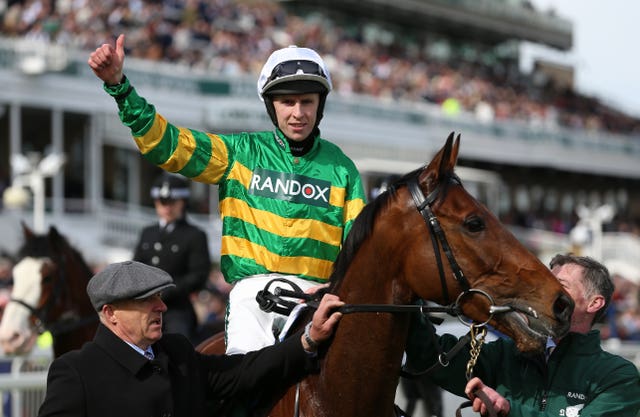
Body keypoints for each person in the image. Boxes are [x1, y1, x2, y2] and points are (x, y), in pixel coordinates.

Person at [88, 34, 366, 354]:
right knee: (247, 382)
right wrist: (120, 87)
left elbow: (358, 244)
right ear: (271, 106)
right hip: (255, 297)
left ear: (320, 105)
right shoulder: (238, 154)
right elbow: (168, 144)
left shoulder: (342, 169)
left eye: (307, 102)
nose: (298, 113)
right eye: (287, 102)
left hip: (320, 297)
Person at [37, 260, 344, 417]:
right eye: (146, 301)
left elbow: (241, 372)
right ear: (111, 313)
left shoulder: (177, 351)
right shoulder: (76, 372)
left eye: (158, 296)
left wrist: (308, 338)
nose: (161, 306)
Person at [405, 253, 640, 417]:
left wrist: (509, 410)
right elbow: (430, 357)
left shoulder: (619, 376)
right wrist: (406, 297)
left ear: (594, 303)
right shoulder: (508, 353)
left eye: (560, 284)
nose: (544, 291)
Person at [133, 172, 211, 342]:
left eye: (172, 202)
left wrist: (163, 292)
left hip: (176, 308)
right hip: (144, 306)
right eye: (162, 202)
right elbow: (136, 266)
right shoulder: (148, 233)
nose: (167, 207)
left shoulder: (195, 235)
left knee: (178, 343)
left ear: (183, 202)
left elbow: (199, 275)